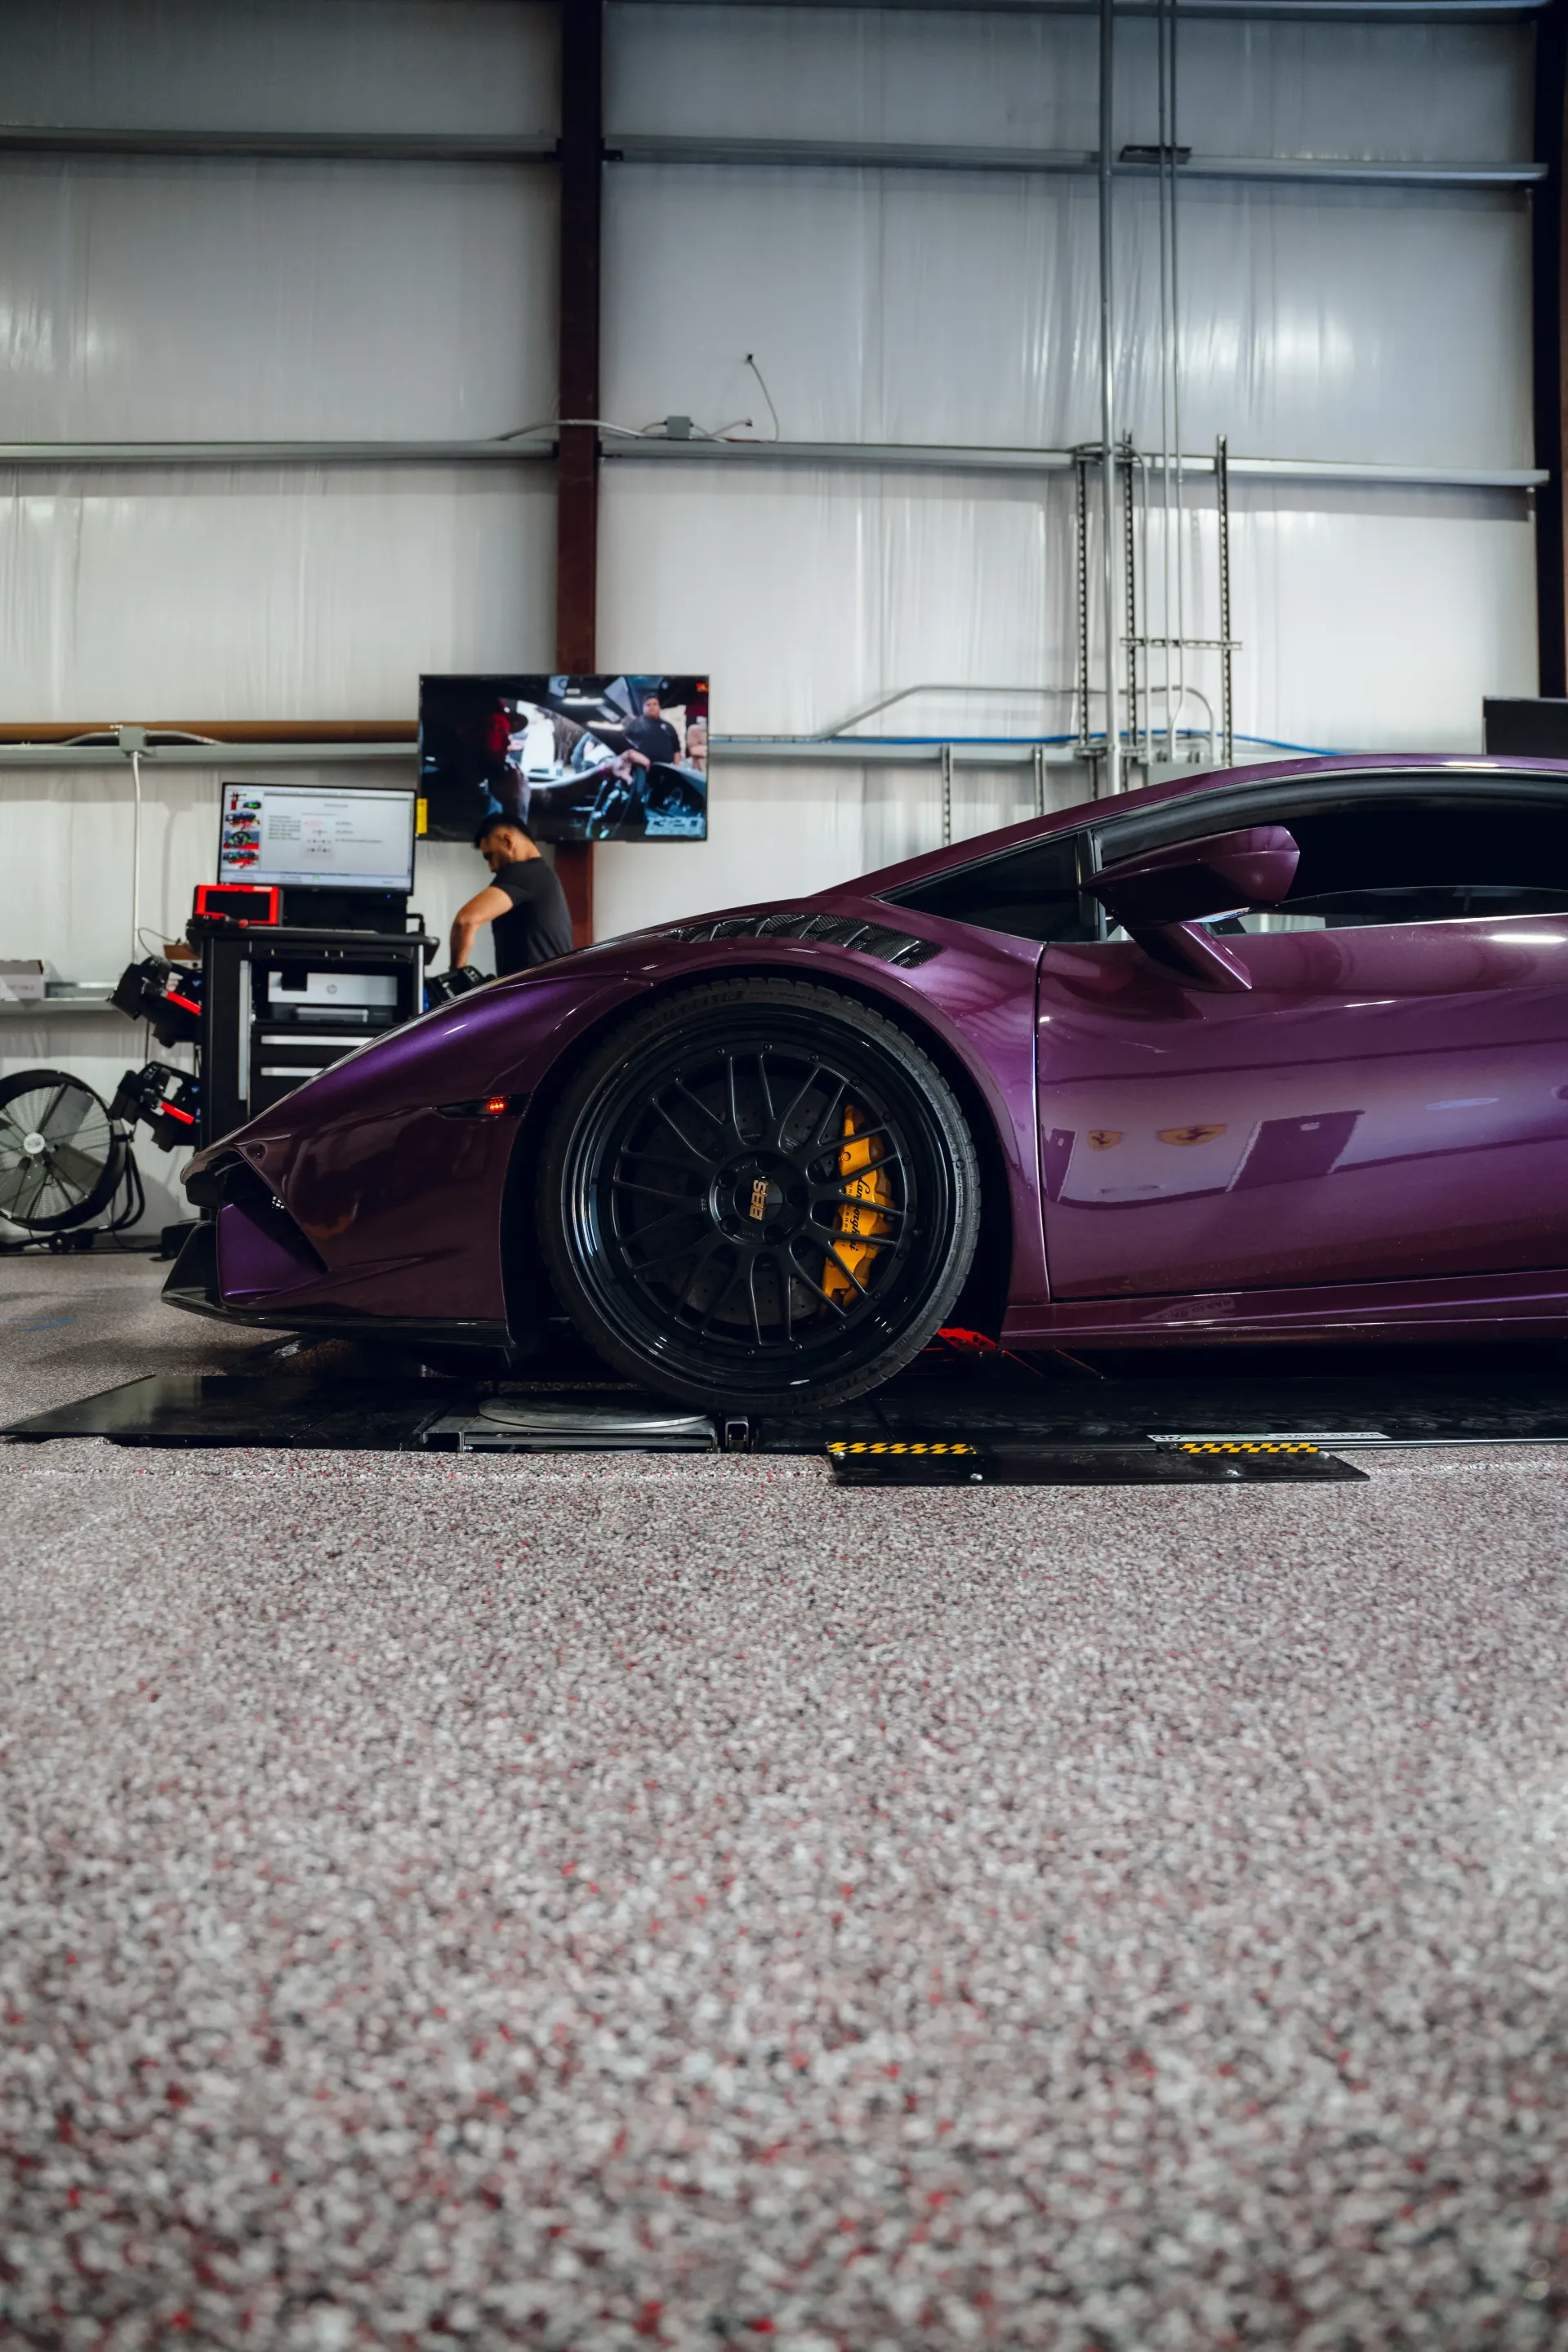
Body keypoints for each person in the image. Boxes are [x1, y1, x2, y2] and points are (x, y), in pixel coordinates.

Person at [448, 816, 574, 977]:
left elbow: (465, 921)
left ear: (508, 842)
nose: (491, 867)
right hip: (547, 992)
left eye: (490, 857)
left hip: (535, 995)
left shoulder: (524, 873)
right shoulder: (543, 874)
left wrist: (456, 977)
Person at [622, 689, 681, 773]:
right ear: (643, 708)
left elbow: (676, 750)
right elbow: (623, 745)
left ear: (659, 707)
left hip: (667, 769)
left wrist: (676, 768)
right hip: (641, 768)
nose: (652, 707)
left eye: (655, 704)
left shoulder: (668, 726)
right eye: (648, 705)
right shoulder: (634, 725)